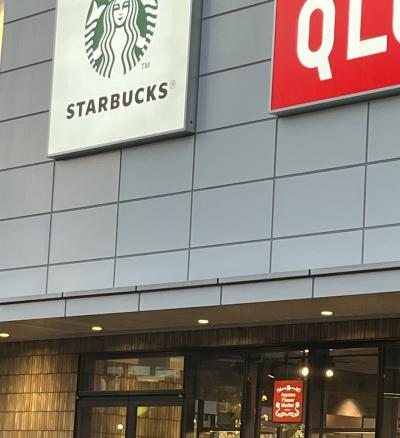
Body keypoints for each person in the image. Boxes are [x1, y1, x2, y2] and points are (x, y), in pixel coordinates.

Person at [93, 0, 145, 77]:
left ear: (131, 9)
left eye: (125, 6)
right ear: (110, 11)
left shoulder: (133, 34)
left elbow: (144, 44)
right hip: (107, 73)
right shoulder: (105, 38)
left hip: (131, 75)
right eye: (116, 8)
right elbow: (95, 56)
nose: (121, 12)